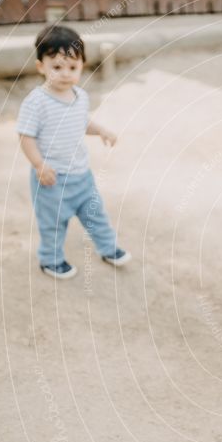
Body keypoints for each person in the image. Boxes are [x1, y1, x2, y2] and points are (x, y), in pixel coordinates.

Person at [16, 25, 130, 279]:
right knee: (53, 224)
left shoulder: (80, 96)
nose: (65, 74)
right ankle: (51, 261)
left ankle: (108, 248)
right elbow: (26, 136)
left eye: (72, 67)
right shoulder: (37, 102)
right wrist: (38, 164)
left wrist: (101, 130)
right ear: (41, 67)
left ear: (82, 65)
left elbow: (81, 123)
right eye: (56, 67)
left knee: (95, 214)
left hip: (81, 175)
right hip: (51, 179)